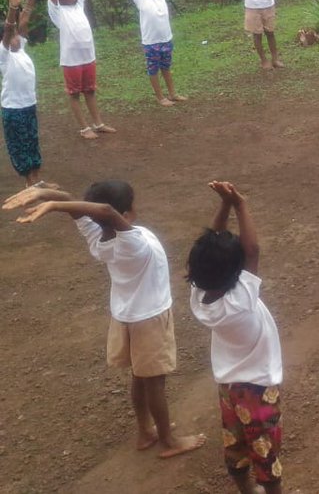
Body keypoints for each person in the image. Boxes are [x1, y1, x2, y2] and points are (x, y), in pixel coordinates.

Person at [3, 181, 205, 458]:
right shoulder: (133, 243)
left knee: (139, 376)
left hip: (125, 317)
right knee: (154, 382)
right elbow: (107, 211)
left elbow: (93, 212)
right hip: (150, 319)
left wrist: (49, 196)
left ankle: (146, 430)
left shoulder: (98, 239)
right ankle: (169, 440)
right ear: (128, 212)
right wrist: (54, 204)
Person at [188, 181, 284, 494]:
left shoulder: (200, 296)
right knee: (264, 449)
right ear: (237, 272)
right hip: (257, 387)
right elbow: (252, 249)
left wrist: (225, 207)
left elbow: (213, 249)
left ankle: (246, 490)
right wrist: (240, 204)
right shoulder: (241, 300)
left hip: (229, 386)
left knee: (235, 441)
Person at [44, 0, 115, 139]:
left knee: (90, 91)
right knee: (74, 94)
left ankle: (98, 123)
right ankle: (84, 127)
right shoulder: (57, 10)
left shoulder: (77, 5)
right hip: (71, 60)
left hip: (87, 57)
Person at [117, 0, 187, 106]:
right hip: (151, 43)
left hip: (166, 39)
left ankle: (172, 93)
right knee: (153, 70)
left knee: (166, 68)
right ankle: (160, 97)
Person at [2, 0, 43, 187]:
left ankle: (37, 179)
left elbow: (23, 20)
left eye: (18, 36)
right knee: (21, 145)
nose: (17, 38)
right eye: (12, 37)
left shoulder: (21, 48)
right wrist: (12, 7)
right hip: (13, 108)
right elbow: (10, 27)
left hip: (28, 104)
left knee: (32, 140)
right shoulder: (4, 54)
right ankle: (30, 183)